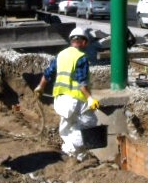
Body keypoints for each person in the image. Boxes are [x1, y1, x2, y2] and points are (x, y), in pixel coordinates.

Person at [34, 26, 101, 161]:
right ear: (84, 42)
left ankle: (79, 157)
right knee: (88, 123)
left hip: (60, 100)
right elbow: (81, 81)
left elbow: (48, 74)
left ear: (71, 41)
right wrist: (89, 99)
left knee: (66, 127)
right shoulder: (81, 57)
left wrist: (40, 87)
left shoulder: (61, 55)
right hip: (75, 100)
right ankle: (69, 151)